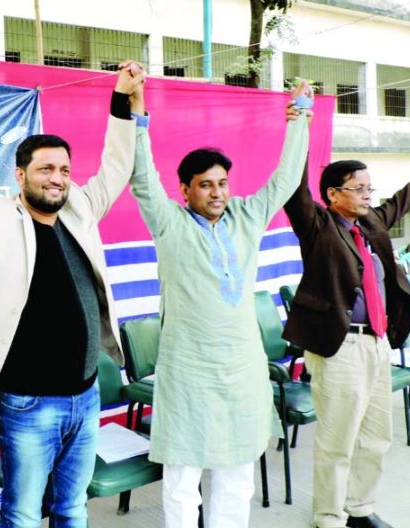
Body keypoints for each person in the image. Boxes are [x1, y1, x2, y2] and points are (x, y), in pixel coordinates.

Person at [0, 62, 146, 528]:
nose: (56, 178)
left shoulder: (79, 207)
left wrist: (123, 101)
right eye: (44, 169)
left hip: (86, 396)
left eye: (63, 169)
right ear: (20, 176)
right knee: (21, 513)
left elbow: (119, 167)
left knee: (73, 507)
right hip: (28, 403)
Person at [128, 81, 313, 528]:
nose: (216, 192)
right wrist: (137, 114)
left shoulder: (247, 216)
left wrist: (301, 117)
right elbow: (142, 178)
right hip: (188, 370)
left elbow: (286, 179)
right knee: (182, 480)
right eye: (205, 185)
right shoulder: (170, 223)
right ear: (185, 190)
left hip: (242, 370)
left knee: (237, 476)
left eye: (222, 183)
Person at [282, 141, 410, 528]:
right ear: (332, 194)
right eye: (359, 189)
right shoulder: (318, 226)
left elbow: (403, 199)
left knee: (377, 436)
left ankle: (359, 507)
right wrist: (299, 128)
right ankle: (329, 516)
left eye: (368, 189)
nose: (367, 195)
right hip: (340, 346)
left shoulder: (370, 224)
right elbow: (294, 190)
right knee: (337, 439)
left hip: (377, 343)